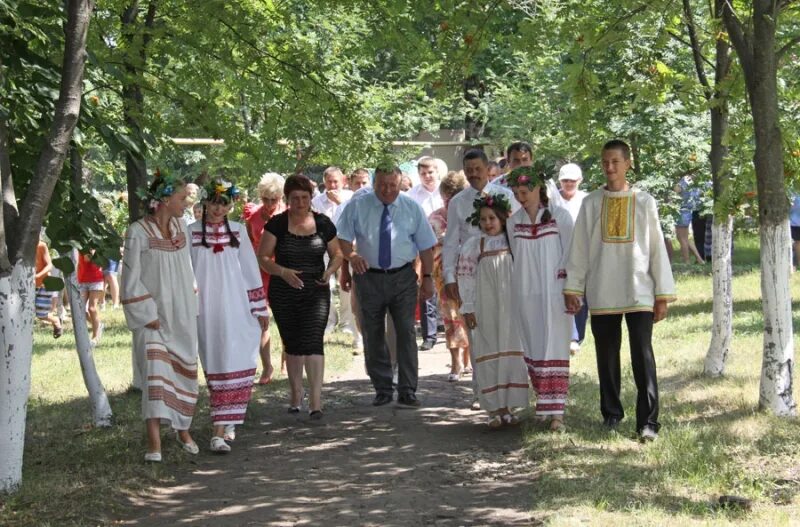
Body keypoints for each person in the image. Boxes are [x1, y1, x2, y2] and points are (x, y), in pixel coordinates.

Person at [564, 140, 677, 442]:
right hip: (602, 289)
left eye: (615, 161)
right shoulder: (590, 203)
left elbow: (656, 249)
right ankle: (611, 413)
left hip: (639, 288)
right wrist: (573, 286)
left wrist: (662, 293)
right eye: (605, 162)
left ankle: (649, 421)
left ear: (627, 163)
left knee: (643, 355)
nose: (609, 167)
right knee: (606, 355)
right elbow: (579, 249)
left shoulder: (645, 201)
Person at [337, 166, 437, 407]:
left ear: (400, 183)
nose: (387, 190)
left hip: (402, 277)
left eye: (393, 184)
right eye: (382, 184)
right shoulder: (358, 205)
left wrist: (427, 277)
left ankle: (407, 389)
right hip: (367, 276)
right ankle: (382, 387)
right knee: (372, 333)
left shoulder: (411, 207)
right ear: (374, 183)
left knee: (405, 332)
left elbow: (425, 246)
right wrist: (351, 257)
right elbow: (341, 236)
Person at [121, 170, 200, 462]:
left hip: (181, 314)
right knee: (155, 379)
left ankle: (183, 430)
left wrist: (193, 304)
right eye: (182, 198)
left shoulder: (182, 227)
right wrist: (147, 313)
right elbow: (130, 277)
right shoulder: (138, 231)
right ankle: (154, 443)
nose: (186, 203)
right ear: (165, 199)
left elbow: (189, 270)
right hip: (153, 317)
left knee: (184, 376)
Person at [190, 179, 267, 453]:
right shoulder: (190, 233)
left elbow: (249, 268)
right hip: (203, 308)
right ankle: (225, 419)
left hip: (234, 305)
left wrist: (259, 307)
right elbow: (186, 271)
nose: (218, 209)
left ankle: (220, 429)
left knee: (235, 357)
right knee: (214, 363)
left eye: (224, 204)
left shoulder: (237, 231)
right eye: (214, 202)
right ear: (205, 202)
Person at [258, 175, 343, 419]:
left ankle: (316, 402)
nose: (300, 202)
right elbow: (263, 257)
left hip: (316, 290)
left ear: (310, 198)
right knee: (293, 343)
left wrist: (329, 271)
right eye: (295, 198)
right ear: (287, 199)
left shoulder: (323, 223)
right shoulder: (276, 224)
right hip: (284, 291)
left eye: (304, 198)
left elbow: (337, 254)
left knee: (313, 341)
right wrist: (283, 272)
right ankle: (296, 394)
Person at [442, 149, 517, 409]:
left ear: (488, 169)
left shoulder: (505, 196)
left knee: (505, 331)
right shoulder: (458, 202)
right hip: (471, 273)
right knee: (477, 332)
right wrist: (449, 276)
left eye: (477, 168)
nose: (473, 174)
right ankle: (481, 390)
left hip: (503, 272)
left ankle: (507, 394)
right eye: (468, 169)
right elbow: (451, 241)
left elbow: (516, 234)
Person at [506, 167, 574, 432]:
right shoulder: (513, 223)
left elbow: (570, 254)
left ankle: (557, 412)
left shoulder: (560, 217)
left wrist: (571, 289)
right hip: (525, 292)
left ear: (538, 189)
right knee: (533, 346)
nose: (521, 198)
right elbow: (516, 256)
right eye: (516, 193)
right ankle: (543, 405)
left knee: (554, 345)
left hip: (554, 291)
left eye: (524, 192)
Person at [457, 193, 529, 428]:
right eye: (484, 219)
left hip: (510, 305)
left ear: (502, 218)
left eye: (492, 218)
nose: (488, 223)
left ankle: (508, 407)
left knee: (511, 348)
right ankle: (493, 409)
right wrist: (467, 306)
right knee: (488, 349)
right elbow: (465, 277)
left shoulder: (512, 243)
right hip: (485, 306)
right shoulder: (475, 245)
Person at [244, 172, 286, 384]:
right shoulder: (253, 217)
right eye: (265, 199)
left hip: (283, 272)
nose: (269, 204)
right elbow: (249, 243)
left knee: (288, 320)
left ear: (281, 197)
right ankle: (267, 366)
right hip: (259, 273)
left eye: (274, 199)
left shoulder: (289, 214)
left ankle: (288, 359)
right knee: (262, 321)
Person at [428, 171, 470, 381]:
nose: (449, 202)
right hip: (442, 274)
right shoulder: (434, 217)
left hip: (469, 271)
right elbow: (426, 247)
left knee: (469, 314)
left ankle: (470, 360)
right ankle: (456, 363)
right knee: (450, 318)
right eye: (446, 197)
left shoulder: (470, 216)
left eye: (454, 197)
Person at [312, 167, 358, 341]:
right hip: (325, 248)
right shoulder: (317, 201)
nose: (332, 185)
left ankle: (347, 322)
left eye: (336, 181)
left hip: (346, 247)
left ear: (343, 181)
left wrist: (340, 202)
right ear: (324, 182)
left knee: (346, 285)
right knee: (326, 285)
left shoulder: (349, 198)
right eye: (329, 181)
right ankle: (329, 321)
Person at [550, 163, 589, 354]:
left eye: (572, 181)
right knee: (562, 292)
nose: (569, 184)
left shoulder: (586, 200)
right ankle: (566, 335)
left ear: (579, 181)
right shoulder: (552, 199)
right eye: (565, 180)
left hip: (582, 251)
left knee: (581, 293)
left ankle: (578, 336)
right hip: (558, 252)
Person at [408, 157, 445, 351]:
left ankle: (448, 328)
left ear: (437, 172)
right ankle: (429, 334)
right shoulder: (412, 195)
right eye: (423, 173)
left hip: (445, 246)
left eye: (430, 172)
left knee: (447, 289)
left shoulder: (445, 190)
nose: (427, 176)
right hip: (423, 248)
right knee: (426, 287)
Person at [35, 233, 63, 338]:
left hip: (44, 284)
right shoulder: (23, 247)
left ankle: (56, 321)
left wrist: (38, 275)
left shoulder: (41, 245)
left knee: (41, 314)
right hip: (30, 285)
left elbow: (49, 265)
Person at [674, 175, 704, 264]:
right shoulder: (697, 182)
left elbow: (677, 190)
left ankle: (686, 261)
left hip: (682, 211)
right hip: (688, 211)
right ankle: (699, 259)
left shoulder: (685, 180)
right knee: (686, 238)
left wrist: (677, 182)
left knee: (681, 238)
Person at [77, 250, 104, 346]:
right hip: (82, 279)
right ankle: (98, 325)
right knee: (80, 309)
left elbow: (88, 258)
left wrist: (92, 252)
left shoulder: (94, 245)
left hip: (96, 279)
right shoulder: (80, 245)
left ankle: (95, 337)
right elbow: (81, 261)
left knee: (91, 308)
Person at [791, 192, 800, 272]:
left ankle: (796, 262)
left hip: (795, 223)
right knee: (798, 243)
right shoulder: (797, 197)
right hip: (796, 224)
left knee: (797, 243)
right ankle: (796, 262)